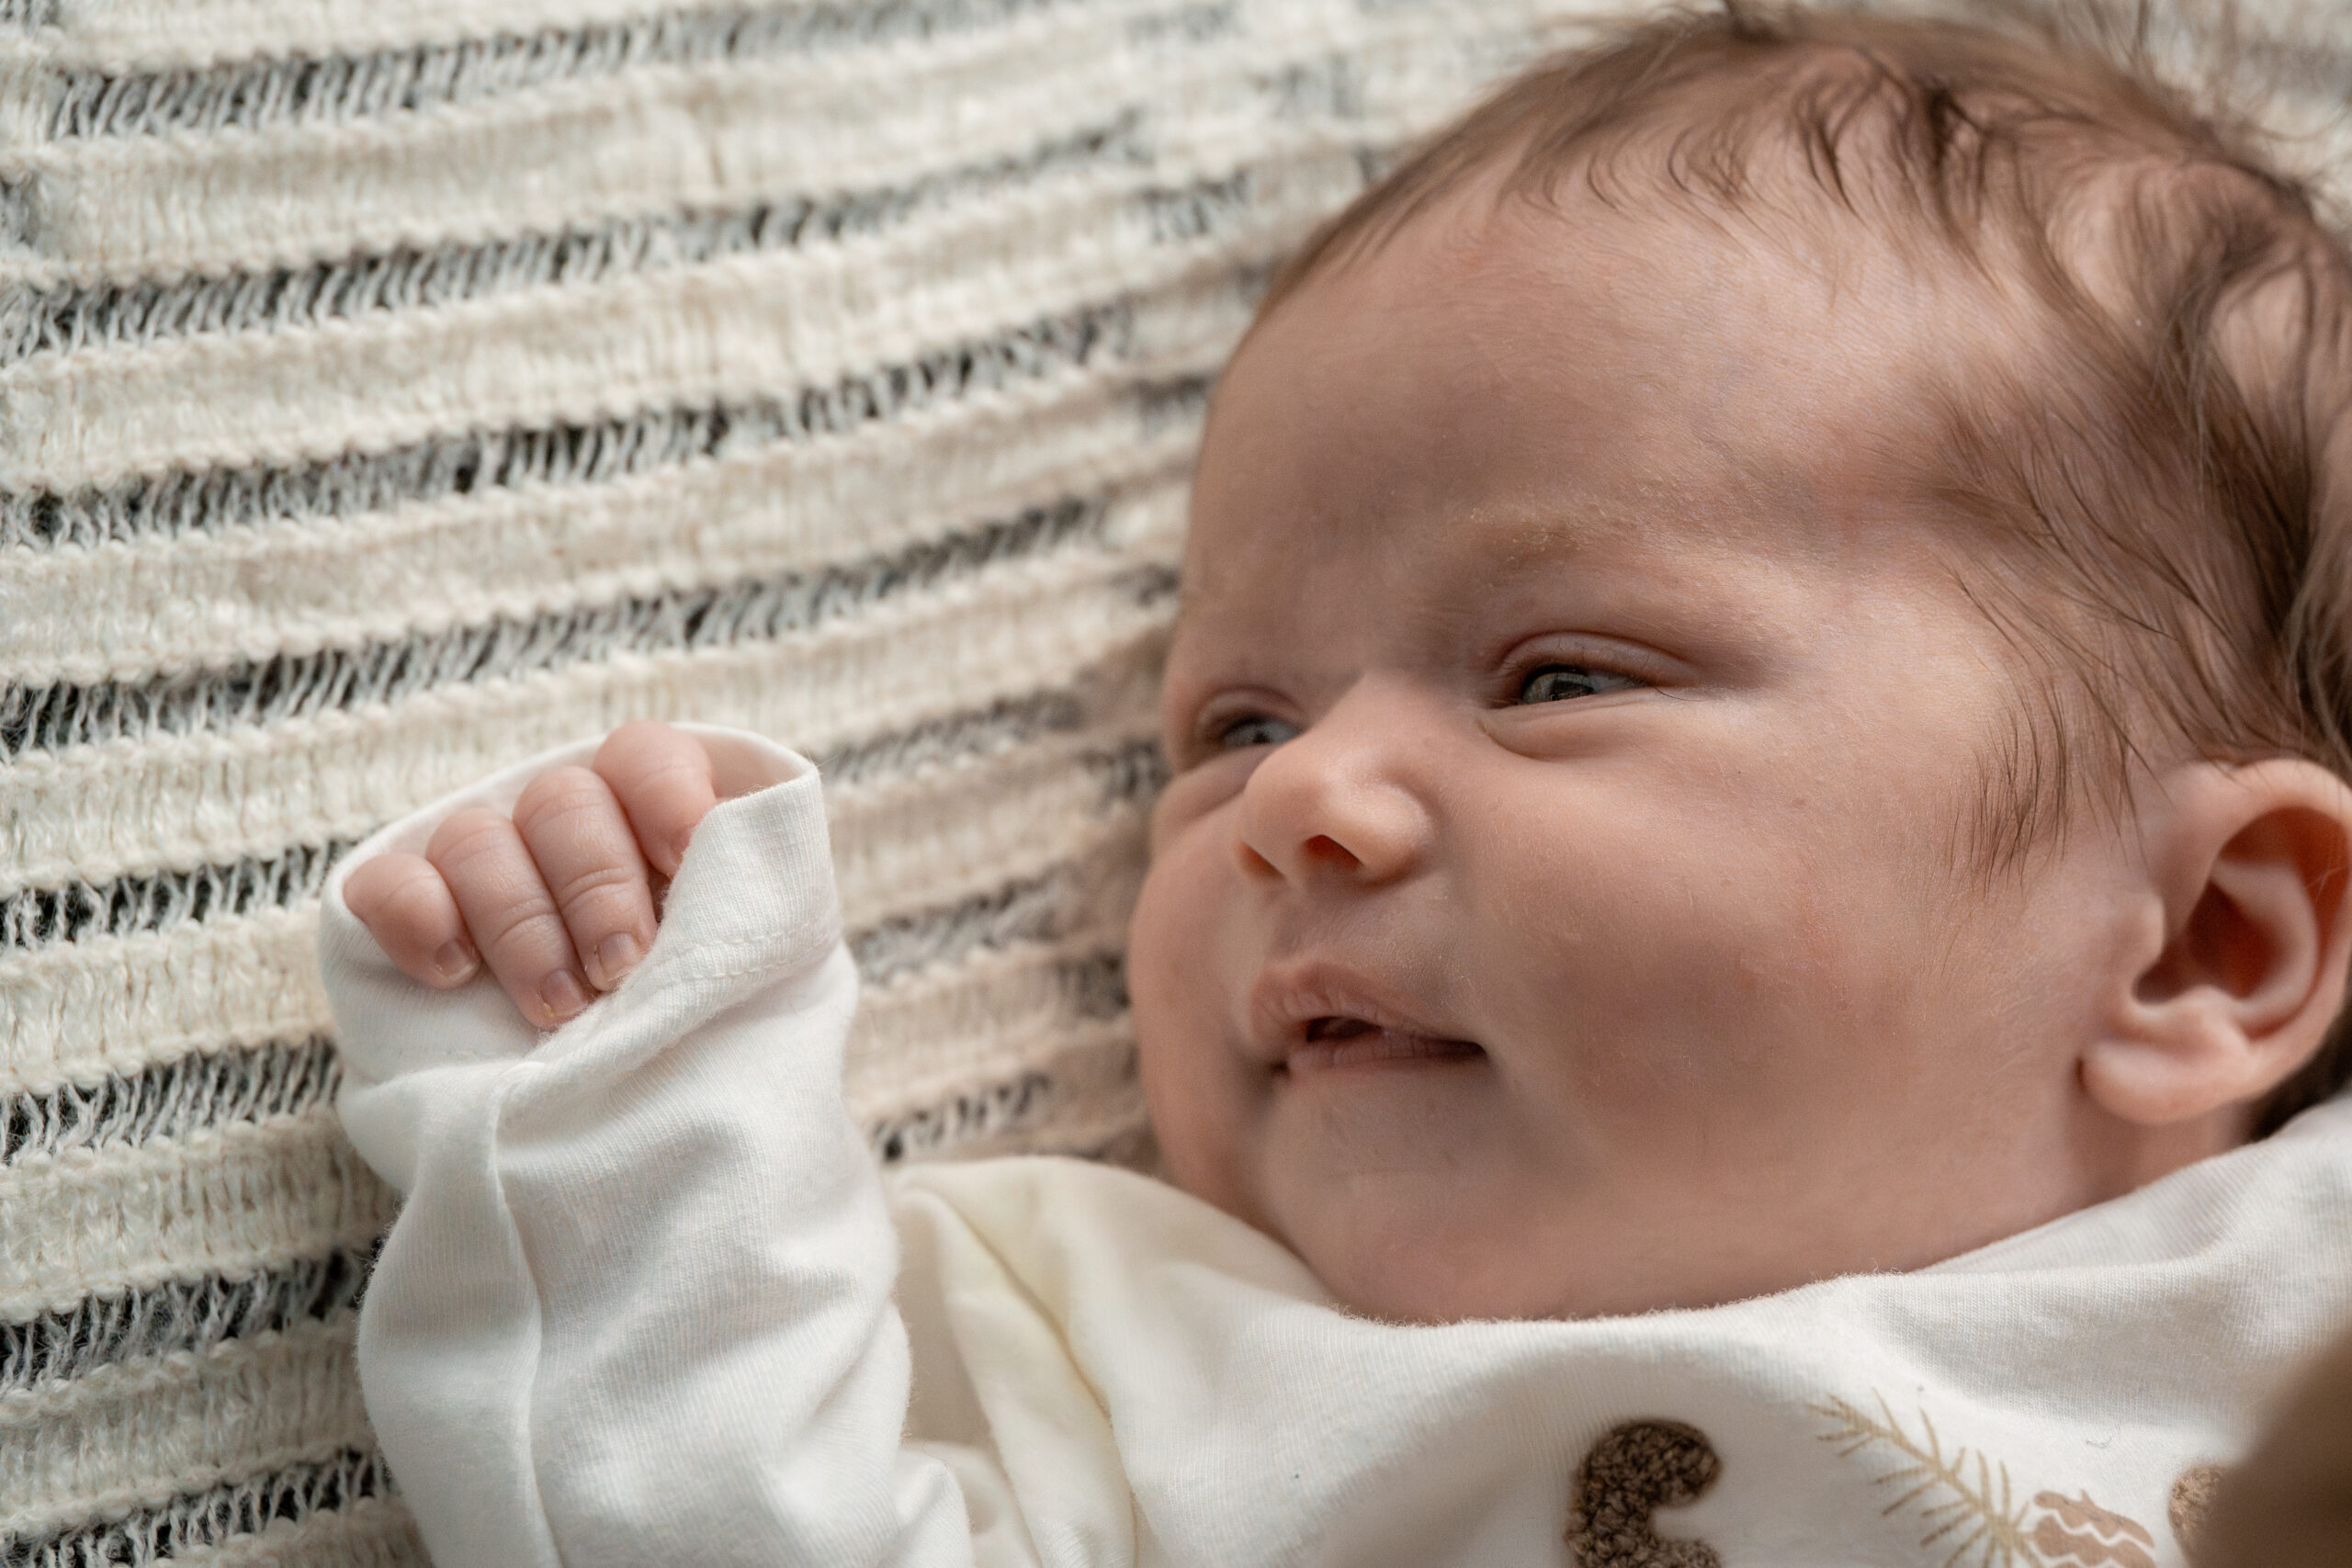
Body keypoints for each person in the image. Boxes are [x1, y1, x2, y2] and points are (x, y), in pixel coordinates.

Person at [323, 5, 2352, 1563]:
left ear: (2195, 937)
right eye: (1236, 725)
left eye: (1556, 674)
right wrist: (629, 1089)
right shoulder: (1114, 1341)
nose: (1304, 805)